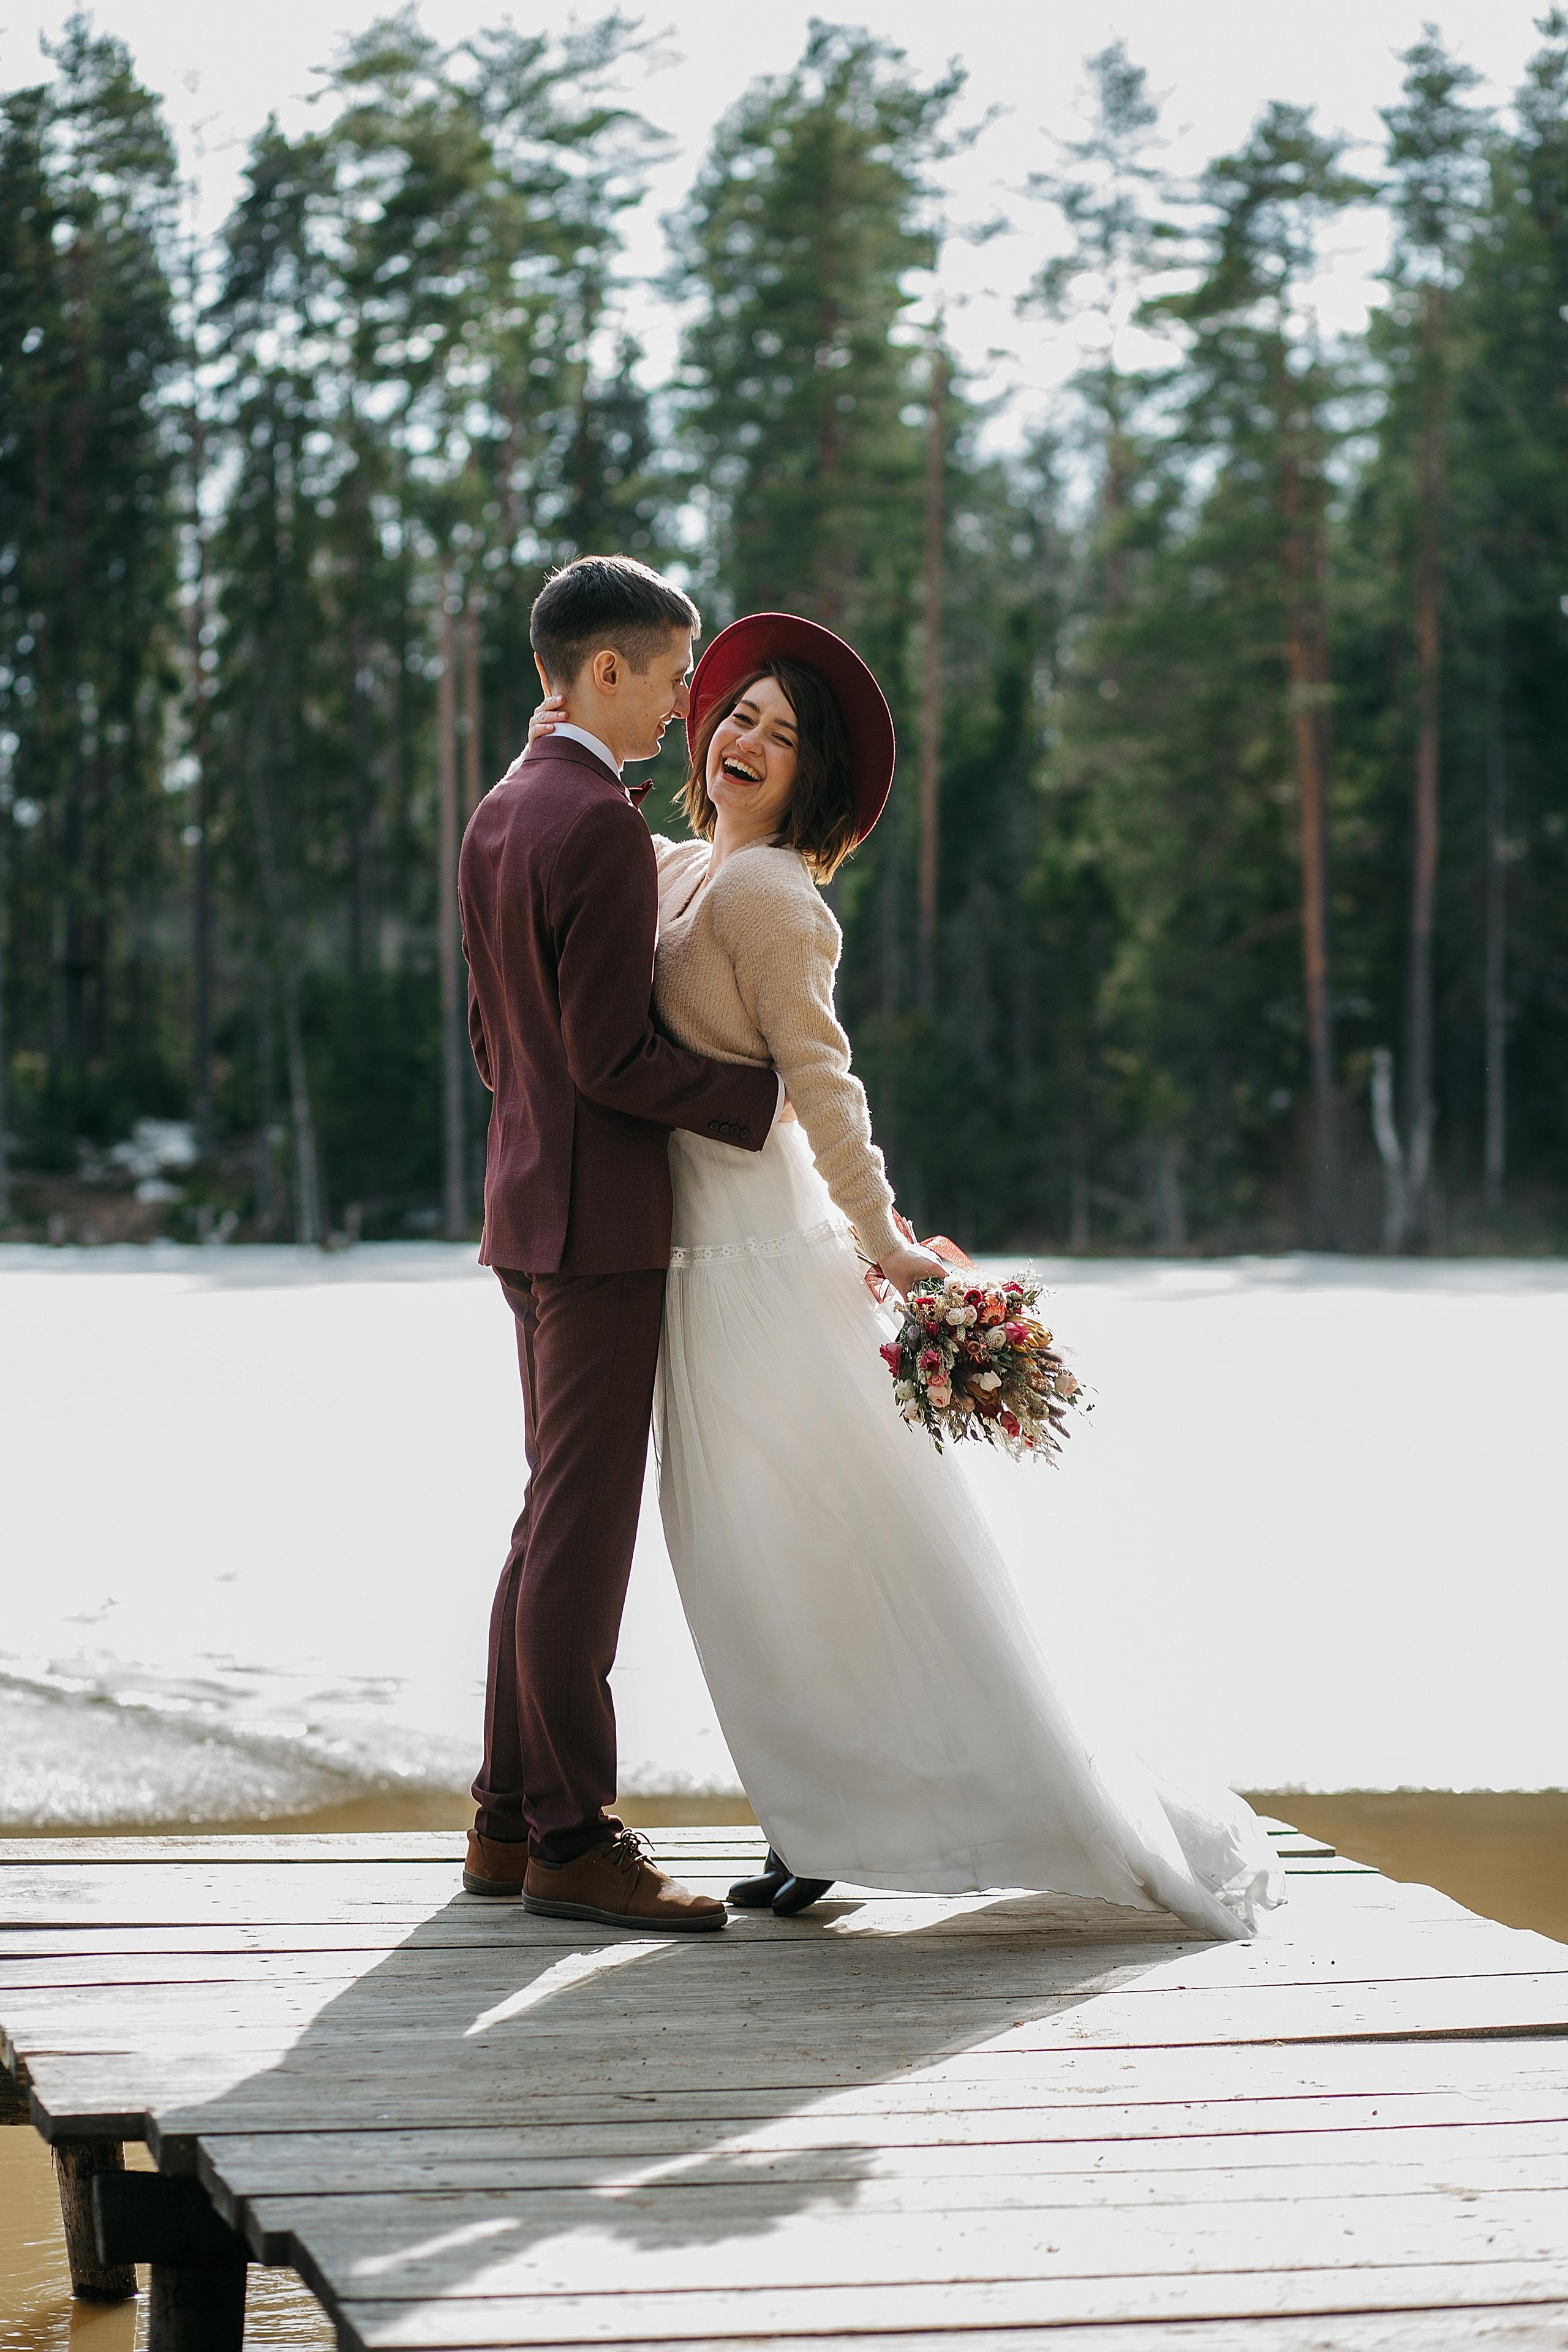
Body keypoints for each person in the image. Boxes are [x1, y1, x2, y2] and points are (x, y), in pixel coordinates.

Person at [523, 610, 1284, 1941]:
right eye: (739, 715)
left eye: (783, 733)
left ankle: (908, 1809)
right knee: (749, 1565)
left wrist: (885, 1244)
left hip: (768, 1267)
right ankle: (812, 1819)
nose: (748, 737)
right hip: (693, 1270)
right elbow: (582, 831)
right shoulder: (687, 865)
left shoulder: (769, 899)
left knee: (830, 1550)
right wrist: (555, 736)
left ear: (813, 781)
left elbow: (825, 1085)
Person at [458, 556, 783, 1933]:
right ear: (603, 671)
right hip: (594, 1227)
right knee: (582, 1536)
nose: (682, 702)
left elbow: (496, 1049)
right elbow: (608, 1058)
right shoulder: (588, 818)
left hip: (526, 1205)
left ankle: (500, 1819)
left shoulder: (497, 809)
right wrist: (746, 1098)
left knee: (547, 1521)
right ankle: (574, 1841)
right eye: (666, 675)